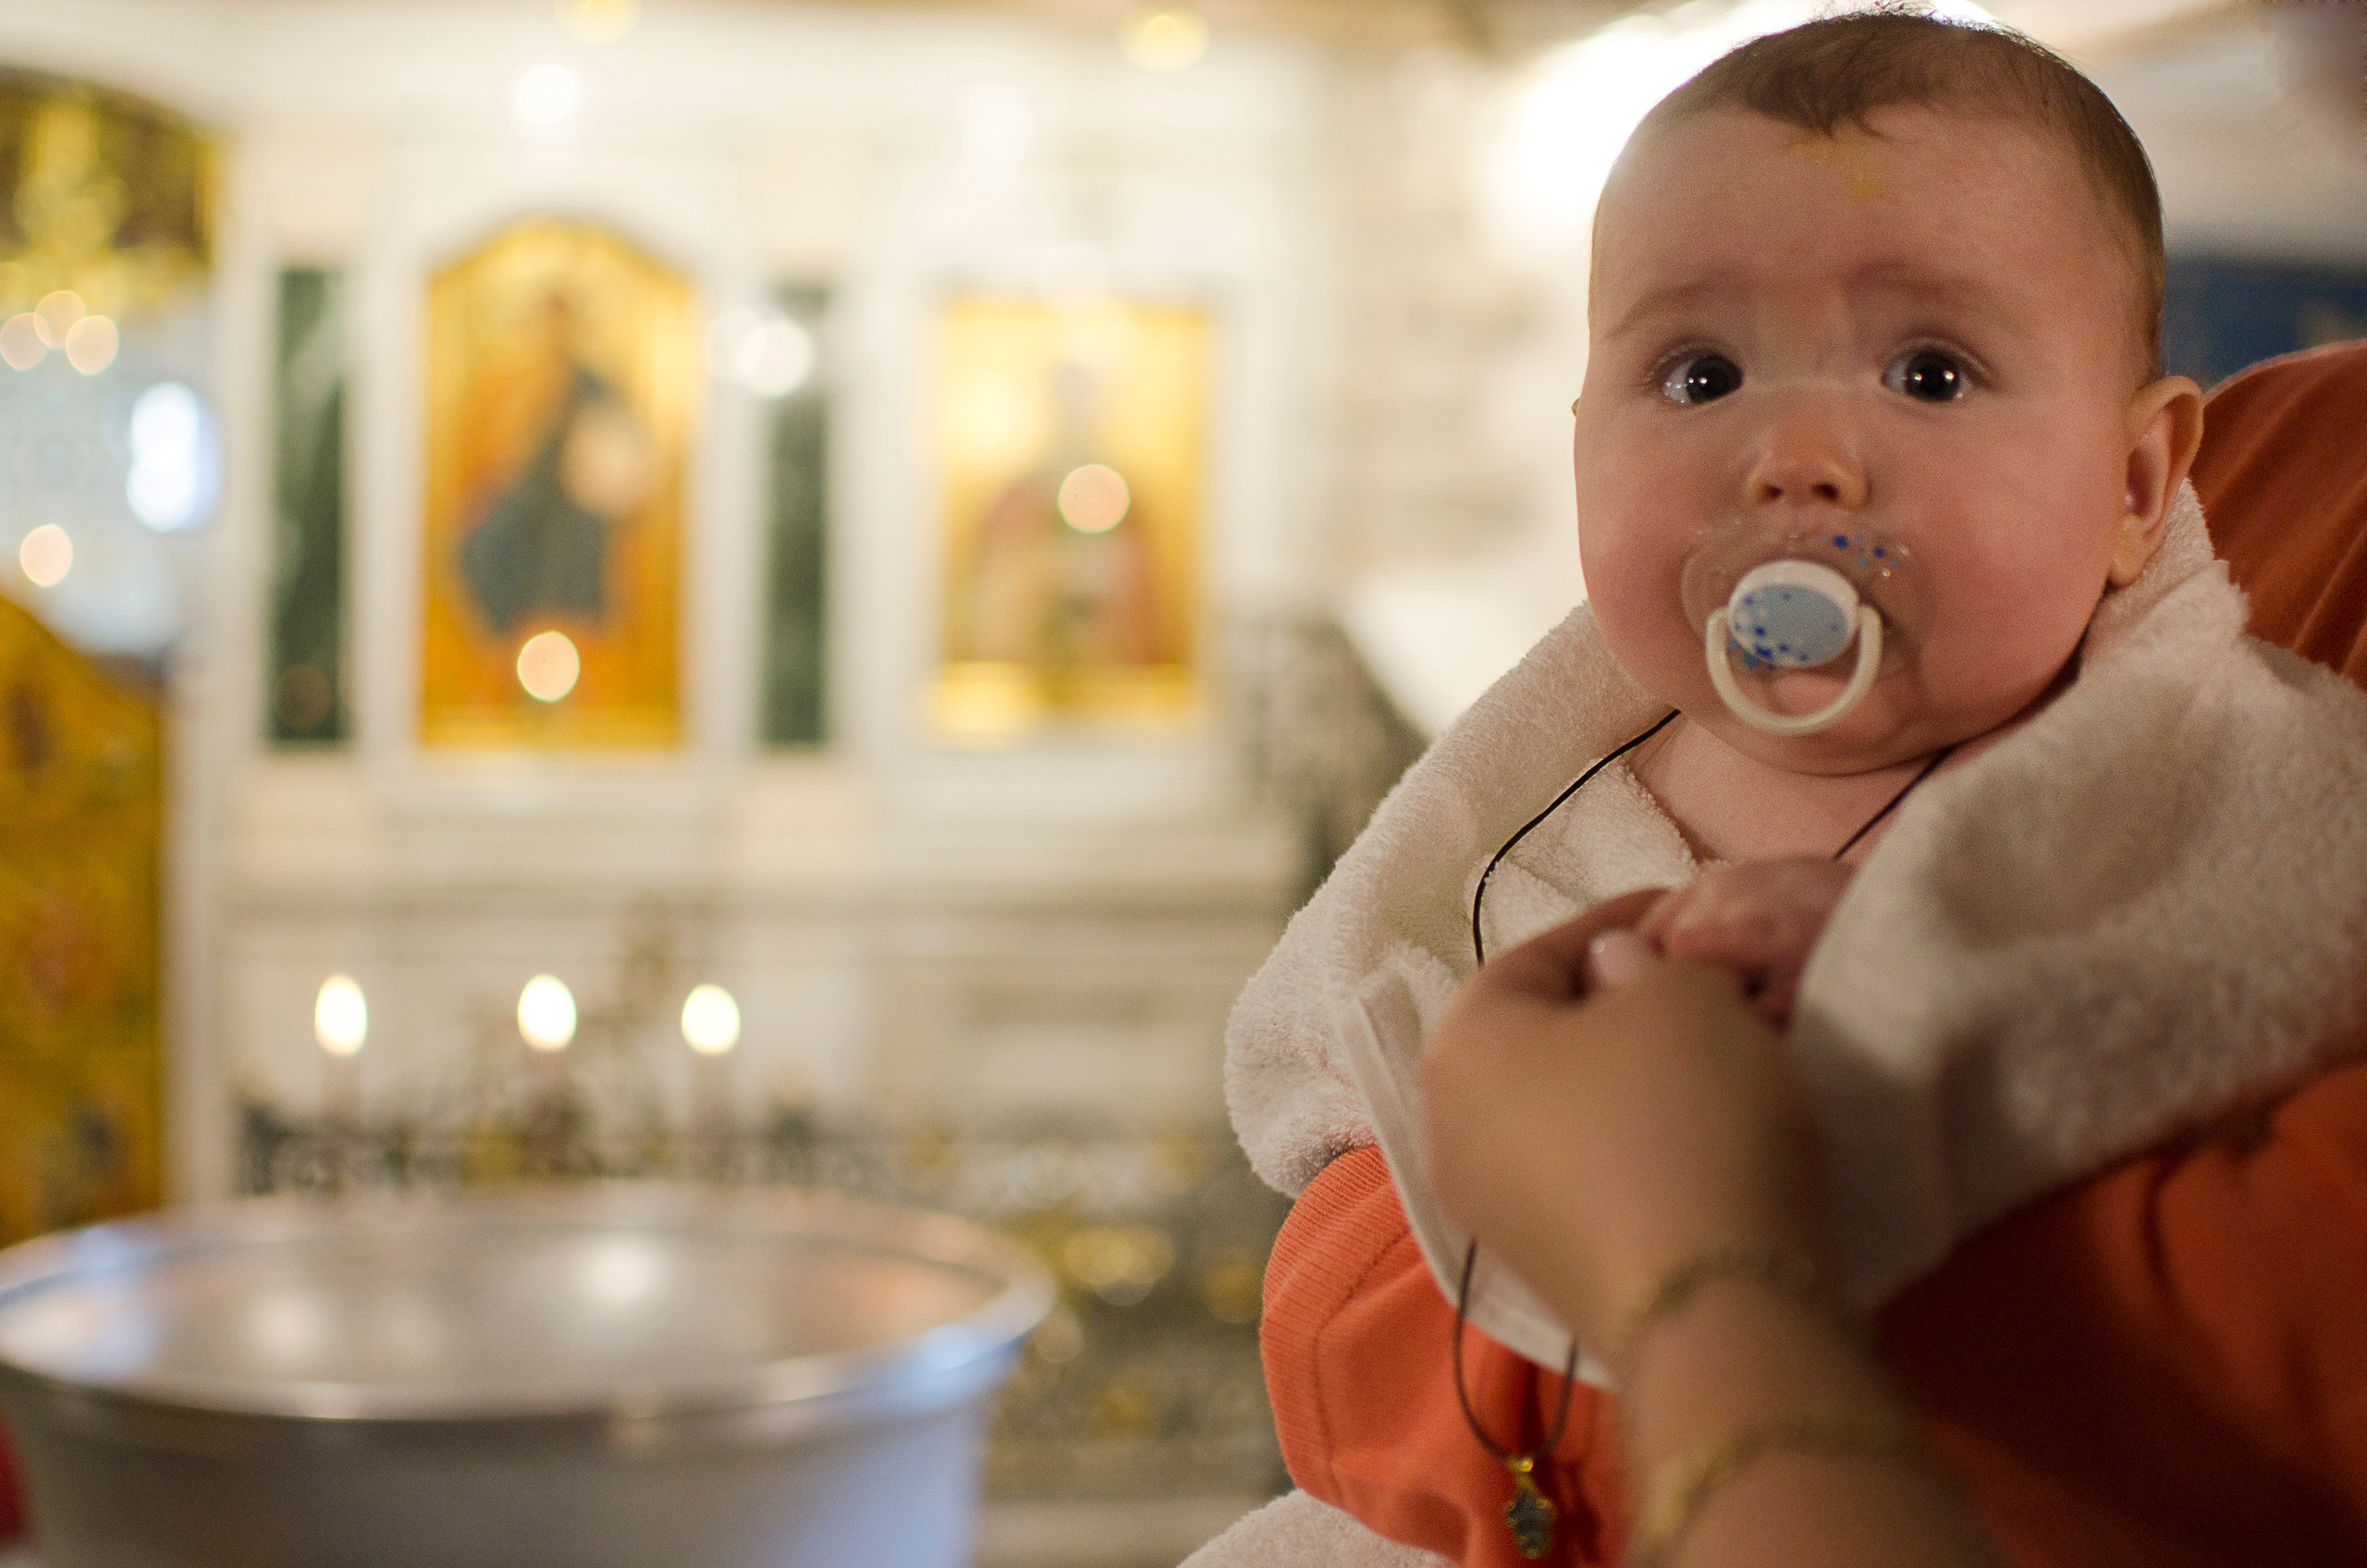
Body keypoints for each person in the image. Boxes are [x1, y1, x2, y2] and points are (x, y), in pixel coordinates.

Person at [1196, 12, 2367, 1568]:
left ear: (2139, 488)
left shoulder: (2212, 773)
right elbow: (1339, 1200)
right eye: (1699, 371)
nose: (1796, 456)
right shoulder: (1540, 808)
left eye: (1932, 371)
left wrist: (1891, 1019)